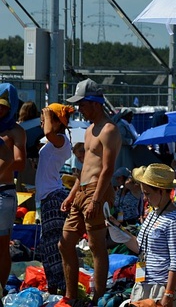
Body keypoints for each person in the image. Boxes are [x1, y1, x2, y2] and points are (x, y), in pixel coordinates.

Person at [58, 79, 121, 306]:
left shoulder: (109, 130)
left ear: (94, 103)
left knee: (96, 246)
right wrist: (72, 193)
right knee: (64, 243)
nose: (79, 110)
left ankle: (98, 297)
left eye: (82, 105)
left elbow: (107, 169)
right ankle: (71, 295)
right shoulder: (89, 131)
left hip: (97, 190)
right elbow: (85, 168)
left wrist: (96, 199)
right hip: (83, 189)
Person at [109, 163, 176, 306]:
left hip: (161, 287)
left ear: (162, 191)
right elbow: (140, 245)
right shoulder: (153, 212)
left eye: (148, 193)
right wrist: (118, 229)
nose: (144, 198)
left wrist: (168, 294)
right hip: (143, 282)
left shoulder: (175, 219)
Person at [35, 103, 75, 294]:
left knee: (52, 247)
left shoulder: (60, 140)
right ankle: (56, 286)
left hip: (53, 196)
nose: (43, 121)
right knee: (48, 246)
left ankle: (59, 287)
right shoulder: (53, 142)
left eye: (47, 118)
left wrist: (47, 114)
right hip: (48, 197)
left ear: (57, 123)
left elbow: (49, 131)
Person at [0, 83, 27, 293]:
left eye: (4, 107)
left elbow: (20, 161)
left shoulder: (15, 131)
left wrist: (3, 162)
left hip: (4, 191)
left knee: (2, 247)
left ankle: (1, 289)